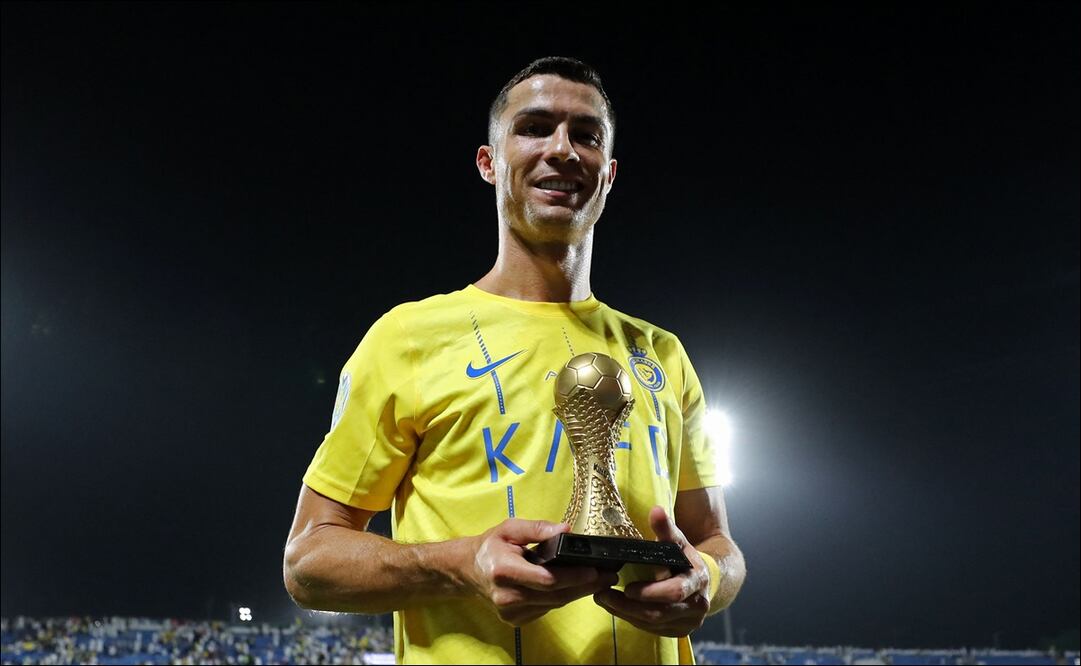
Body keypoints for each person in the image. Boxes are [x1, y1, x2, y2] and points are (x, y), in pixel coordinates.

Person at [282, 56, 746, 665]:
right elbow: (309, 562)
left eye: (586, 135)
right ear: (489, 162)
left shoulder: (662, 354)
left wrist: (705, 581)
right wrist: (460, 564)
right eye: (534, 127)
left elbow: (720, 545)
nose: (562, 149)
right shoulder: (407, 339)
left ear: (608, 173)